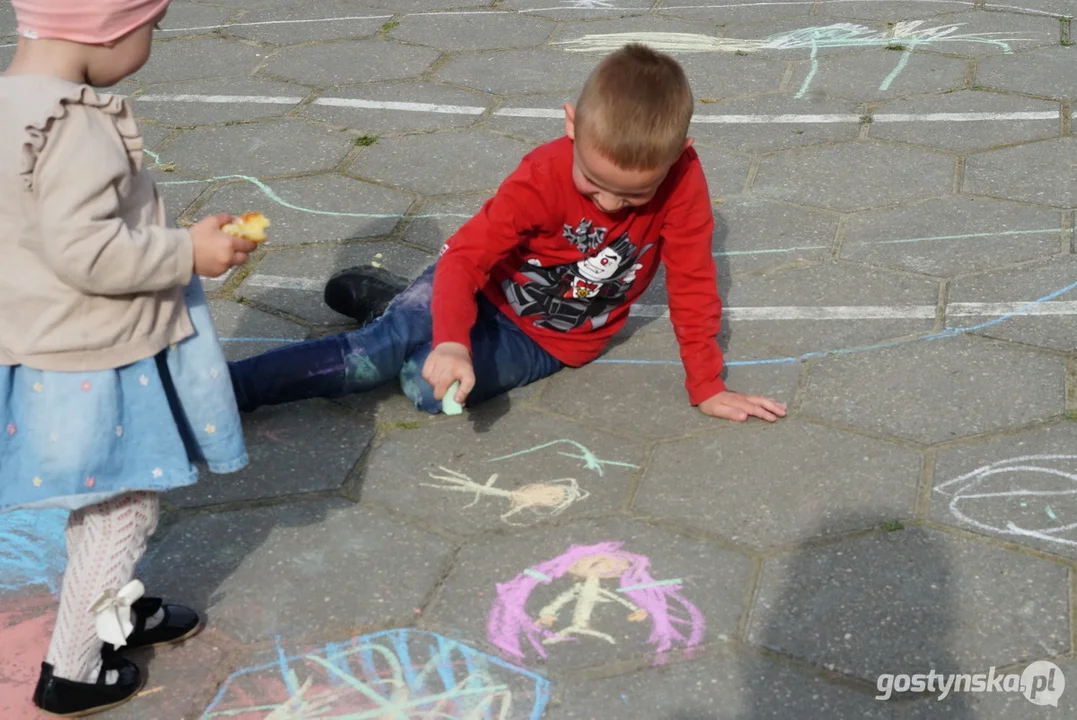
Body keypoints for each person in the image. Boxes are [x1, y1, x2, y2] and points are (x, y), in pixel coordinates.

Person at [228, 43, 787, 424]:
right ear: (571, 126)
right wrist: (451, 338)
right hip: (482, 288)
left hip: (545, 339)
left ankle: (394, 311)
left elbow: (693, 282)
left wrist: (708, 386)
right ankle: (228, 390)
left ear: (679, 156)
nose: (612, 205)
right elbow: (466, 260)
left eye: (634, 196)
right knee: (374, 356)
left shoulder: (684, 181)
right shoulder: (542, 174)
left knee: (427, 392)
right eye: (593, 185)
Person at [0, 0, 257, 714]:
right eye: (150, 27)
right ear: (112, 29)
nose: (148, 41)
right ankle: (76, 667)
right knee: (122, 507)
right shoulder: (73, 125)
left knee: (98, 496)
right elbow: (89, 252)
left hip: (41, 347)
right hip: (95, 358)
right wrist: (189, 253)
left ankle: (113, 609)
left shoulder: (9, 101)